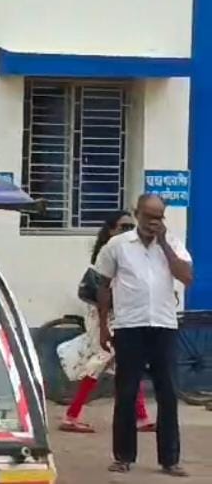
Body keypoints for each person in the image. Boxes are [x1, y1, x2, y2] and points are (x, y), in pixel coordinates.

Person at [95, 194, 193, 477]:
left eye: (159, 217)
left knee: (168, 393)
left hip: (163, 326)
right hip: (130, 326)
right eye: (149, 216)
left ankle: (170, 460)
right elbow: (103, 284)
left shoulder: (171, 242)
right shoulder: (118, 246)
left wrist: (164, 243)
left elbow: (186, 277)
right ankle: (123, 456)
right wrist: (103, 326)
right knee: (126, 393)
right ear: (137, 214)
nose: (154, 223)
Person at [56, 210, 154, 434]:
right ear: (111, 230)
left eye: (132, 227)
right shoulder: (109, 253)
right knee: (103, 358)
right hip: (103, 315)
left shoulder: (129, 251)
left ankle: (141, 417)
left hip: (119, 314)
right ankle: (71, 415)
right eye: (123, 227)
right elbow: (105, 291)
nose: (129, 231)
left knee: (128, 363)